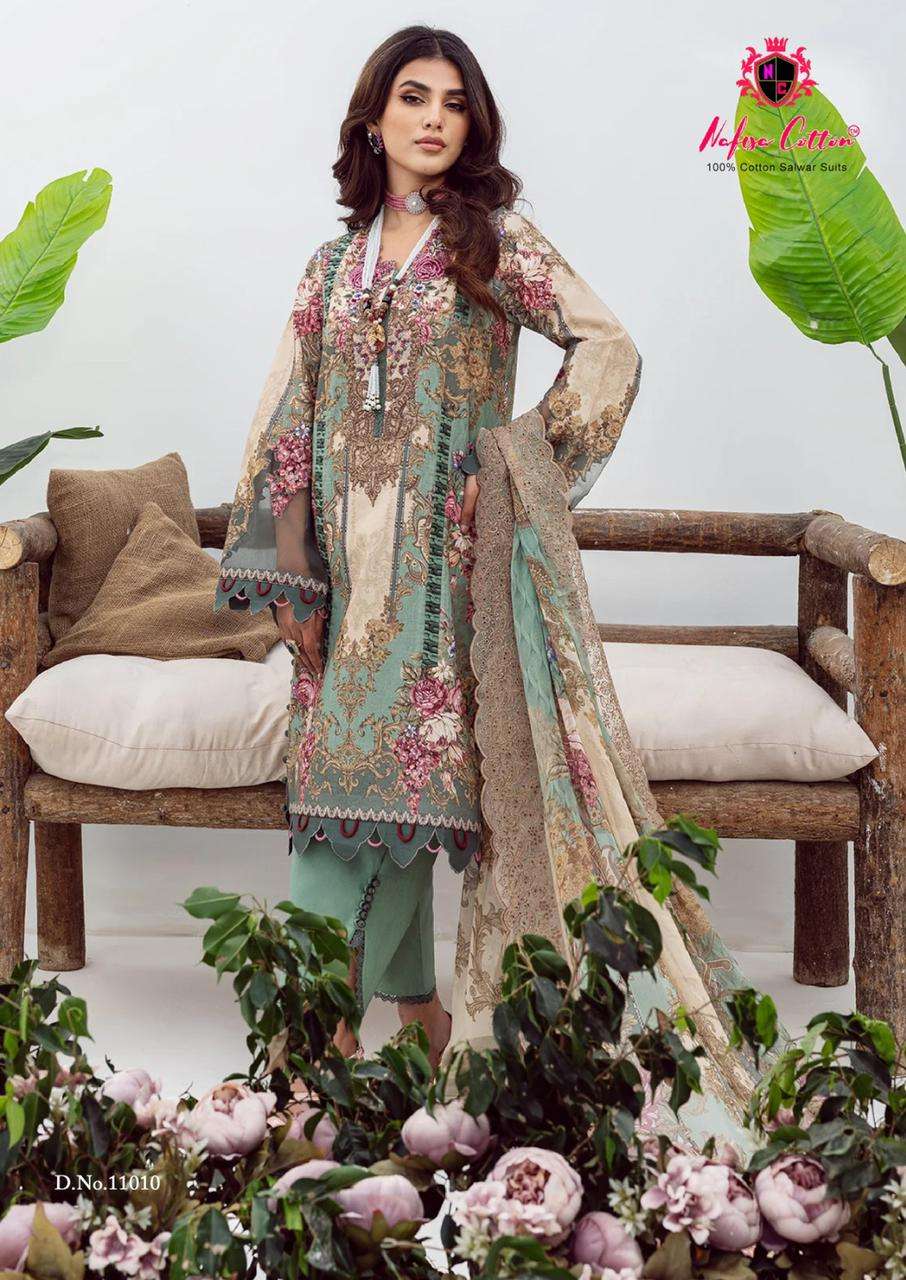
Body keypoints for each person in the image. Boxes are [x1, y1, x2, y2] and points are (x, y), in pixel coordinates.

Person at [216, 24, 785, 1141]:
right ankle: (419, 1017)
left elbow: (609, 348)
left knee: (370, 802)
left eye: (454, 102)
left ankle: (309, 1052)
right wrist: (287, 572)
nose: (434, 118)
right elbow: (289, 413)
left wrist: (521, 465)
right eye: (412, 96)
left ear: (473, 125)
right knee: (358, 802)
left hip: (447, 588)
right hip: (343, 585)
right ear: (371, 118)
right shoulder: (330, 267)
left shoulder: (492, 242)